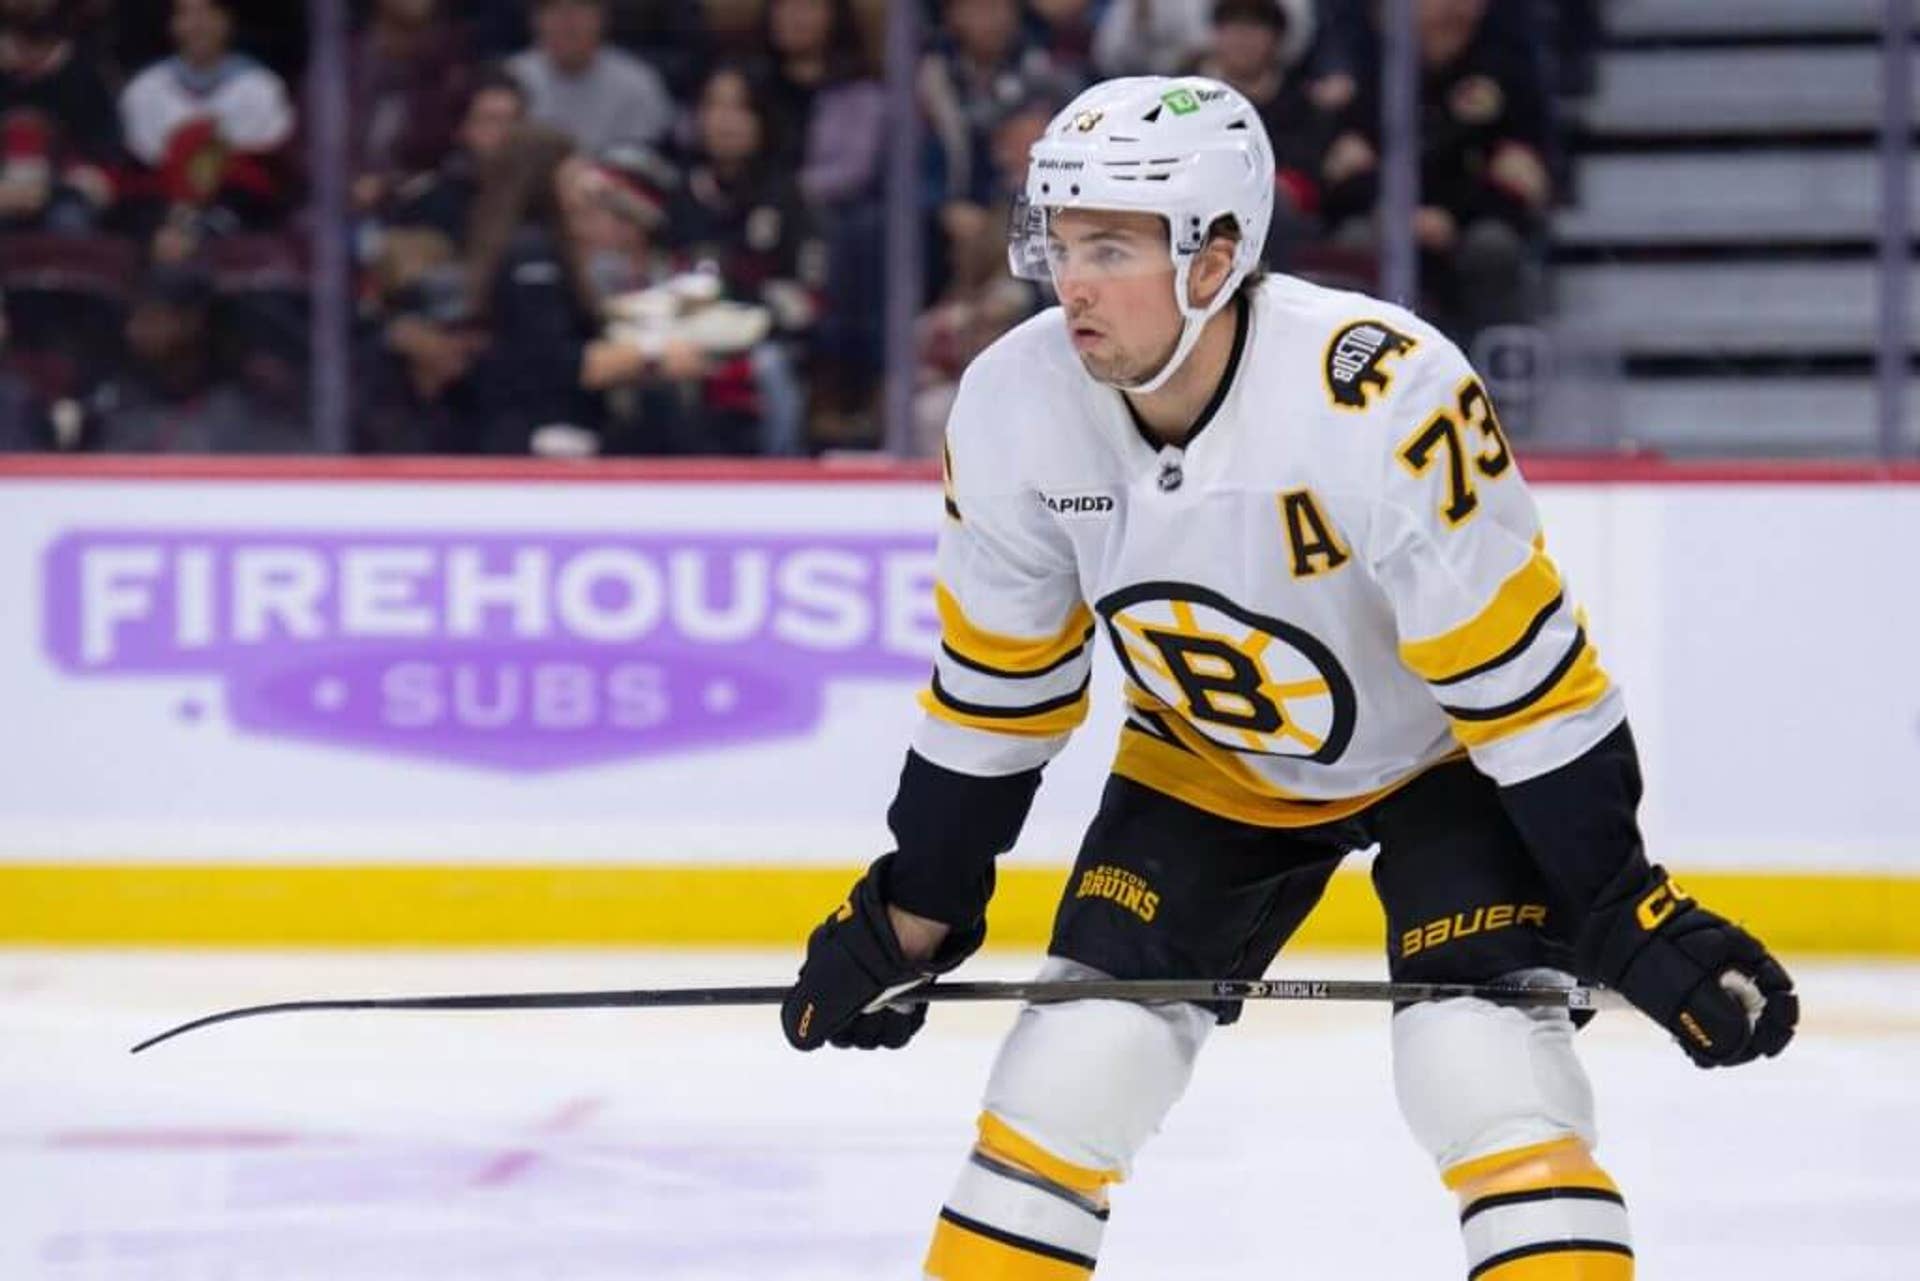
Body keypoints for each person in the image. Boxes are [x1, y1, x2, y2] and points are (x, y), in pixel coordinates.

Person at [779, 75, 1798, 1279]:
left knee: (1483, 1070)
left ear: (1216, 257)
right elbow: (998, 691)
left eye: (1113, 246)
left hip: (1444, 764)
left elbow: (1528, 694)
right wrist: (920, 905)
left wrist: (1625, 905)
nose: (1073, 281)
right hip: (1207, 766)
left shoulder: (1382, 393)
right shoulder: (1011, 401)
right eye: (1061, 240)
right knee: (1069, 1071)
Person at [507, 0, 673, 155]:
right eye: (555, 11)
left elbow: (643, 159)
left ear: (602, 19)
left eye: (580, 11)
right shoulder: (512, 78)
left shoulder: (638, 84)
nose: (568, 24)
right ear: (536, 20)